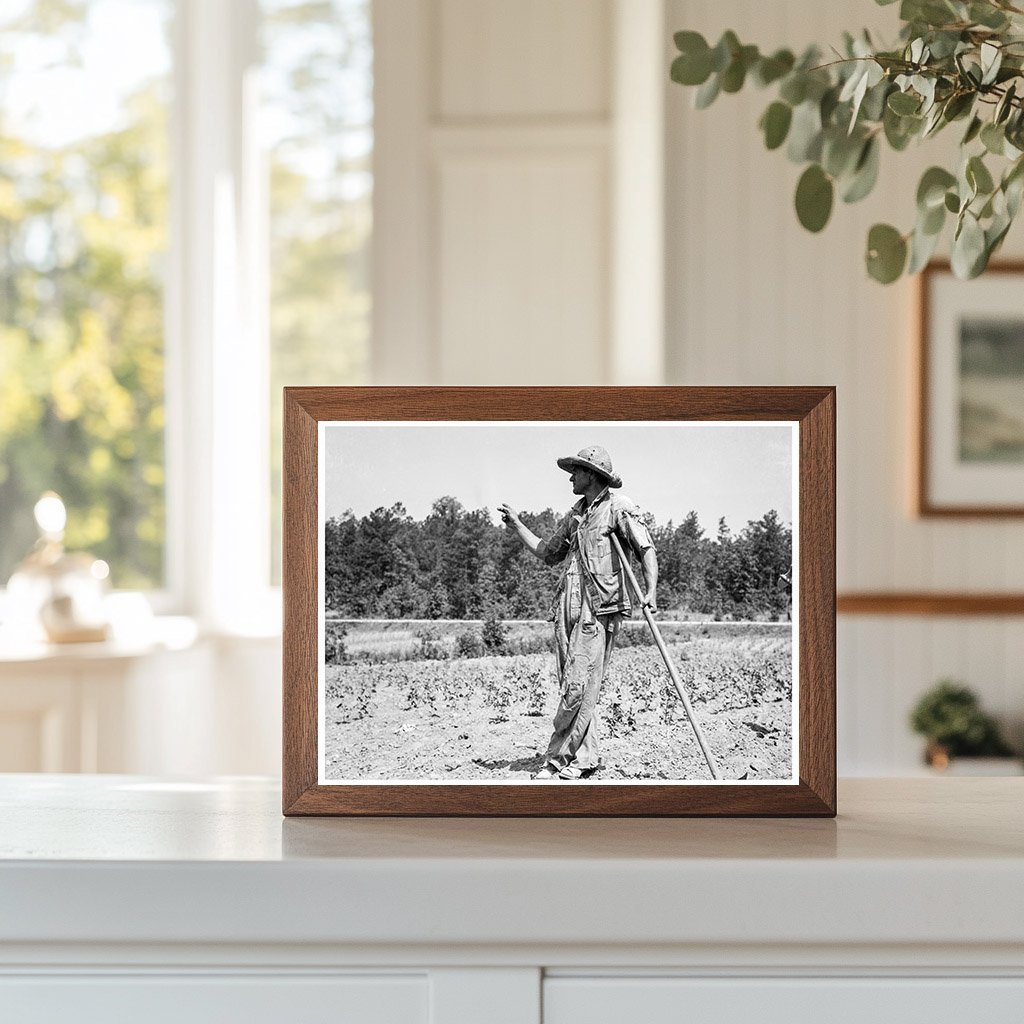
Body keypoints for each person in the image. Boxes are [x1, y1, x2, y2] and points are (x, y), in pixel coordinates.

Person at [499, 445, 658, 781]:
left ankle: (558, 757)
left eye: (576, 470)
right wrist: (517, 526)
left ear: (592, 474)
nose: (570, 476)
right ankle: (583, 758)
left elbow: (645, 549)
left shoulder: (619, 508)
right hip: (565, 608)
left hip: (598, 608)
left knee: (578, 685)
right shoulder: (574, 515)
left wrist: (650, 591)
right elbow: (548, 552)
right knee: (574, 686)